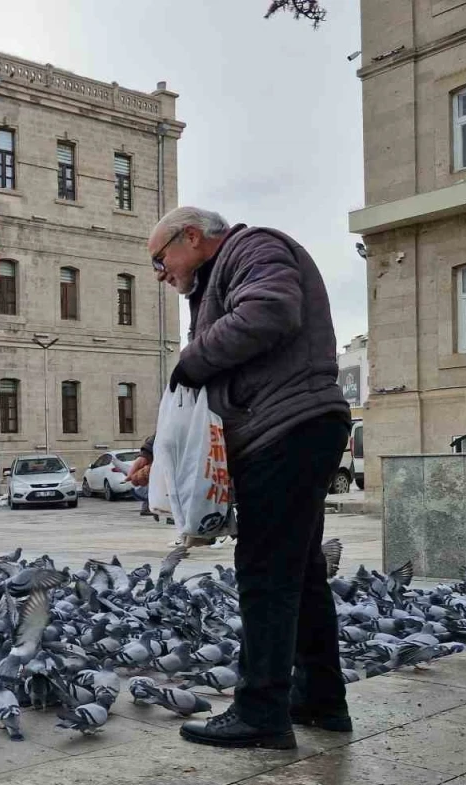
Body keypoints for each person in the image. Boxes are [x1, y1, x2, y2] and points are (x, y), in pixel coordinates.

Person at [147, 206, 351, 750]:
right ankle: (320, 701)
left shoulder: (254, 248)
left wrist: (192, 358)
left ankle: (261, 712)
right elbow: (210, 394)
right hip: (293, 427)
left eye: (160, 259)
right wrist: (155, 447)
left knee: (263, 572)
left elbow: (270, 312)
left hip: (287, 428)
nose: (161, 273)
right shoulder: (215, 282)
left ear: (191, 237)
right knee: (301, 573)